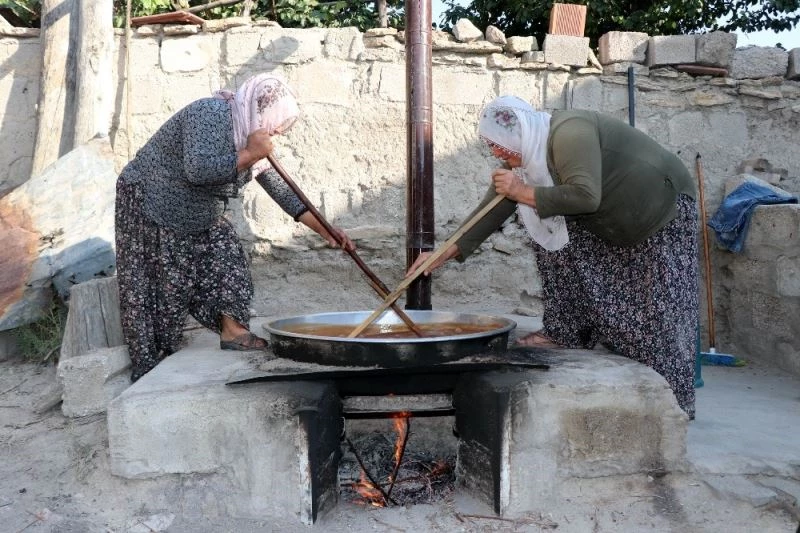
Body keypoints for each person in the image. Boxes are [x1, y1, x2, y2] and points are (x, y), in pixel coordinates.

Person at [408, 95, 698, 418]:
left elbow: (586, 196)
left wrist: (522, 193)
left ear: (518, 132)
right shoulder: (525, 161)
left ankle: (674, 403)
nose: (496, 153)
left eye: (499, 145)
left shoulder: (568, 133)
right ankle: (565, 332)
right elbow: (487, 215)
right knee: (551, 241)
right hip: (616, 218)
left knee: (657, 309)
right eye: (491, 146)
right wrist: (442, 254)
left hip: (660, 206)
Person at [115, 73, 353, 382]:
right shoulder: (209, 114)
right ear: (257, 110)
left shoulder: (248, 139)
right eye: (276, 121)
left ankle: (233, 332)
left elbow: (282, 191)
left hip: (196, 211)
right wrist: (251, 153)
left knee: (226, 252)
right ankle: (149, 360)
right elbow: (198, 169)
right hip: (149, 201)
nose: (278, 129)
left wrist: (325, 230)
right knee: (156, 286)